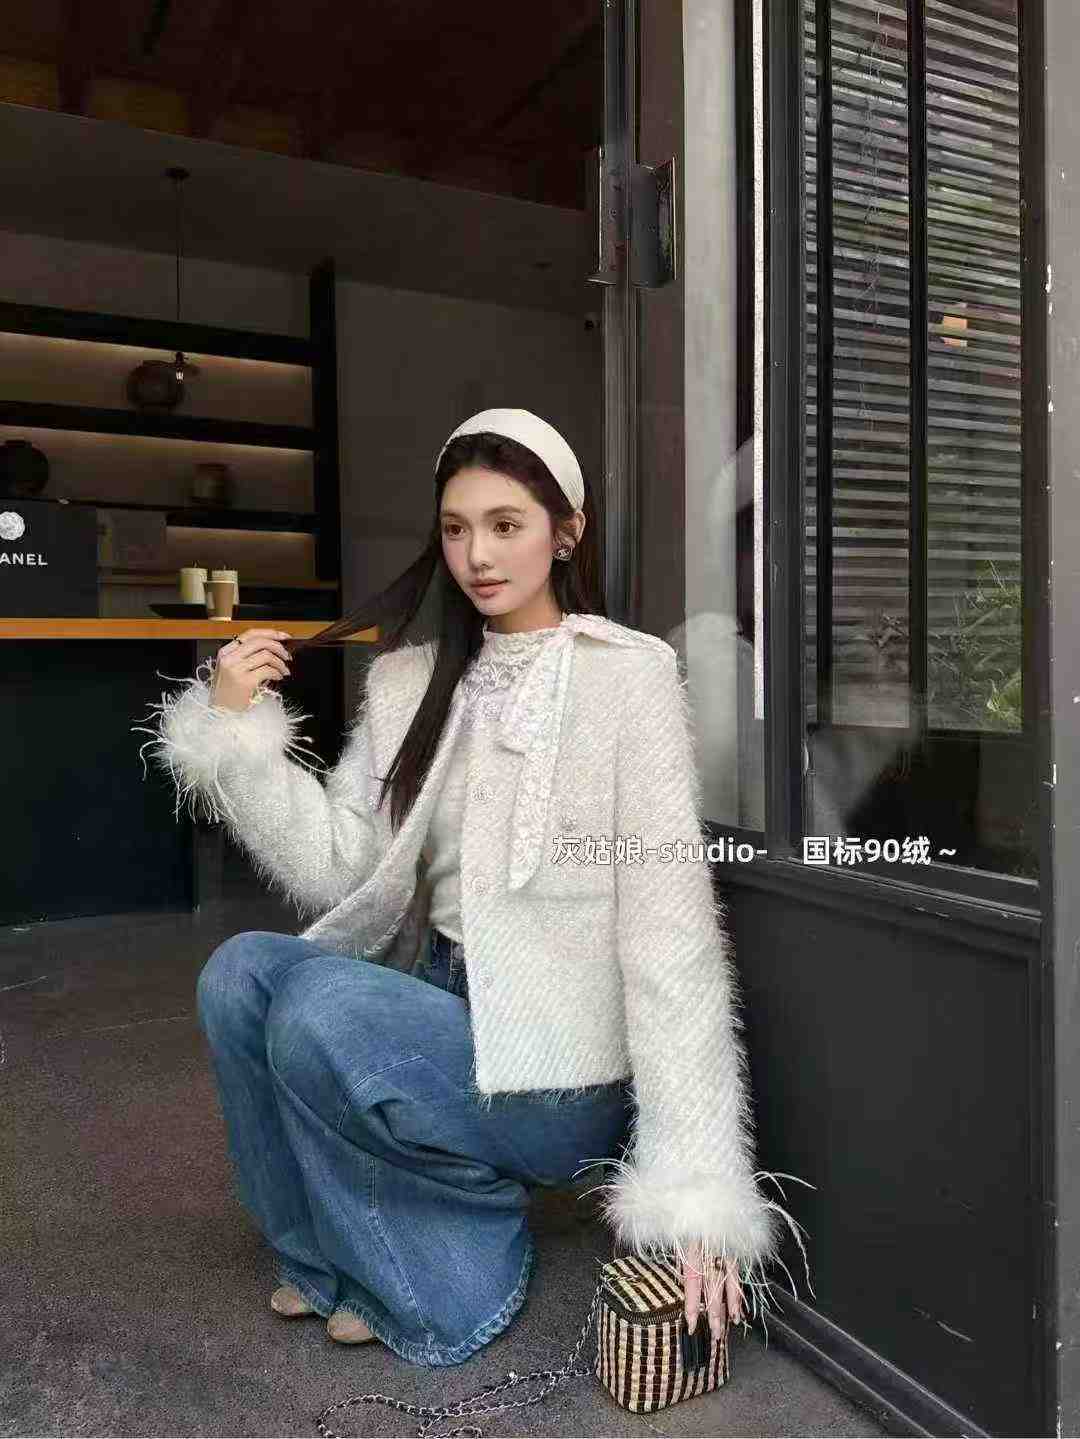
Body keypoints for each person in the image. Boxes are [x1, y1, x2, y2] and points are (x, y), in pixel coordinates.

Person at [133, 408, 811, 1369]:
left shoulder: (629, 677)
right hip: (437, 1006)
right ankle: (327, 1262)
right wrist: (237, 734)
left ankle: (443, 1273)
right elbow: (338, 866)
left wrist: (695, 1178)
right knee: (239, 973)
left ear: (564, 531)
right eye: (456, 528)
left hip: (559, 1071)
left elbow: (672, 934)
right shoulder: (409, 682)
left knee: (320, 1008)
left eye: (505, 524)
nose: (478, 555)